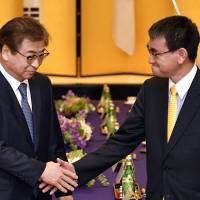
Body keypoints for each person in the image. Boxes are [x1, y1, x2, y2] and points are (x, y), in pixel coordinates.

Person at [49, 15, 200, 200]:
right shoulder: (152, 89)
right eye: (149, 51)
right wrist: (74, 170)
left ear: (181, 55)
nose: (149, 60)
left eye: (155, 53)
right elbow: (122, 141)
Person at [0, 17, 78, 200]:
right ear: (5, 52)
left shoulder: (42, 84)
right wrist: (40, 170)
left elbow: (54, 139)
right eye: (30, 56)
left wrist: (64, 190)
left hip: (42, 192)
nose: (36, 64)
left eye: (41, 55)